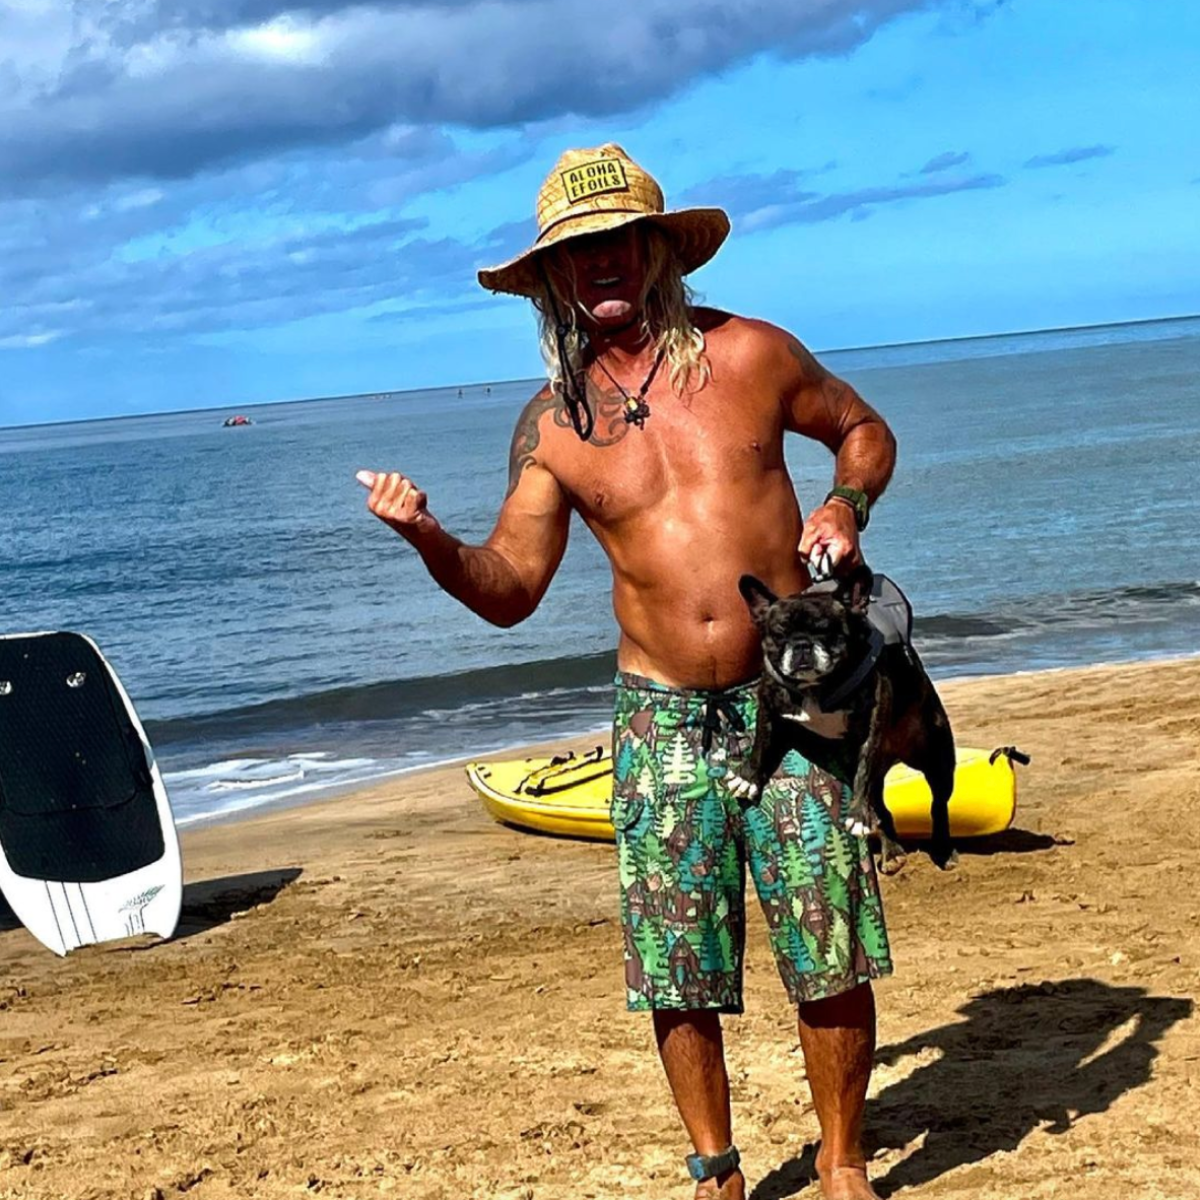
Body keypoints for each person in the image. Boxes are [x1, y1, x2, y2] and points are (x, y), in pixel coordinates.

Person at [358, 144, 897, 1200]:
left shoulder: (752, 355)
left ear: (656, 250)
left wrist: (846, 504)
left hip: (793, 701)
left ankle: (842, 1163)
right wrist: (427, 535)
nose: (599, 264)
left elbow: (863, 429)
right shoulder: (554, 426)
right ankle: (717, 1171)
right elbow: (510, 586)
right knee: (678, 960)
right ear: (552, 278)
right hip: (660, 719)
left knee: (828, 939)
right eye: (576, 252)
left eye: (618, 242)